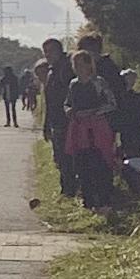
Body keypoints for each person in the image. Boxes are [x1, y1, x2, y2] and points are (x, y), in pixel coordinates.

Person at [60, 51, 120, 208]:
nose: (79, 68)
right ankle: (88, 200)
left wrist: (93, 112)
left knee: (100, 162)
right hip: (78, 128)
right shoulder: (73, 84)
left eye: (82, 64)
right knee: (81, 162)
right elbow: (67, 102)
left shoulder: (99, 83)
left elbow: (112, 103)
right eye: (76, 64)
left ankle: (104, 200)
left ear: (89, 65)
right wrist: (69, 110)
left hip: (97, 128)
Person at [36, 37, 72, 181]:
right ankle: (67, 188)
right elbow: (49, 102)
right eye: (45, 52)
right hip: (57, 121)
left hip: (68, 121)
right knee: (60, 157)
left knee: (68, 157)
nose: (48, 55)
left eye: (51, 51)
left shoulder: (67, 68)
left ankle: (70, 188)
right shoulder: (52, 71)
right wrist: (46, 125)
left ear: (59, 50)